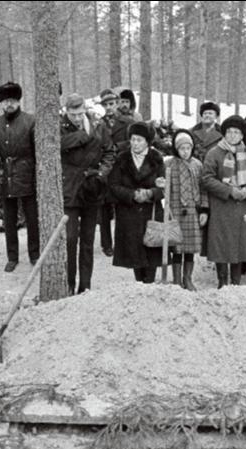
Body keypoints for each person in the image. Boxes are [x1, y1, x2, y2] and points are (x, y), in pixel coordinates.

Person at [60, 93, 116, 294]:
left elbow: (110, 151)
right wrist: (81, 136)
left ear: (85, 110)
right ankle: (68, 284)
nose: (76, 118)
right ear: (67, 111)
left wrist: (101, 174)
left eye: (80, 114)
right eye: (73, 114)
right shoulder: (59, 126)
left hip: (92, 189)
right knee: (70, 239)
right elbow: (57, 145)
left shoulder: (98, 125)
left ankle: (85, 285)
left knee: (87, 240)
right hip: (69, 190)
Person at [200, 115, 246, 288]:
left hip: (241, 207)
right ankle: (222, 281)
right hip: (222, 206)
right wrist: (229, 191)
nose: (233, 135)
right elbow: (207, 178)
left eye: (237, 132)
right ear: (224, 133)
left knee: (239, 244)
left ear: (242, 135)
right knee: (222, 244)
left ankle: (236, 282)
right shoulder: (214, 153)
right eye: (229, 132)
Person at [0, 82, 40, 272]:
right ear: (0, 103)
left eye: (12, 100)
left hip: (27, 174)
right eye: (5, 101)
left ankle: (34, 254)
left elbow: (37, 152)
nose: (8, 104)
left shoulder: (30, 121)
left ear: (19, 101)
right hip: (6, 176)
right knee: (9, 220)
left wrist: (34, 174)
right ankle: (12, 256)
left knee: (32, 219)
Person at [109, 122, 166, 283]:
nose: (135, 143)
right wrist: (132, 194)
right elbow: (113, 185)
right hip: (129, 212)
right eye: (133, 139)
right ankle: (139, 285)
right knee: (134, 251)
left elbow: (164, 185)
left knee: (151, 249)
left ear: (147, 141)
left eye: (139, 140)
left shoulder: (156, 158)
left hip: (151, 212)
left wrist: (150, 193)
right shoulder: (122, 158)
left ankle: (149, 284)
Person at [165, 130, 206, 290]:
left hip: (191, 210)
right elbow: (164, 189)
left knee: (190, 246)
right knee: (176, 246)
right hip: (174, 210)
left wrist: (204, 209)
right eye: (181, 148)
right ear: (176, 149)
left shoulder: (197, 165)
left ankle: (187, 278)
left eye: (188, 148)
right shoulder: (169, 164)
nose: (185, 151)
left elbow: (203, 189)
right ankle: (176, 280)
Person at [97, 88, 134, 258]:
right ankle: (106, 244)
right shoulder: (99, 124)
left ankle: (122, 242)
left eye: (111, 104)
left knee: (122, 208)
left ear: (117, 103)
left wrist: (118, 147)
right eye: (106, 105)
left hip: (121, 168)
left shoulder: (127, 122)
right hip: (105, 169)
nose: (109, 107)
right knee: (104, 209)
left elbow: (134, 141)